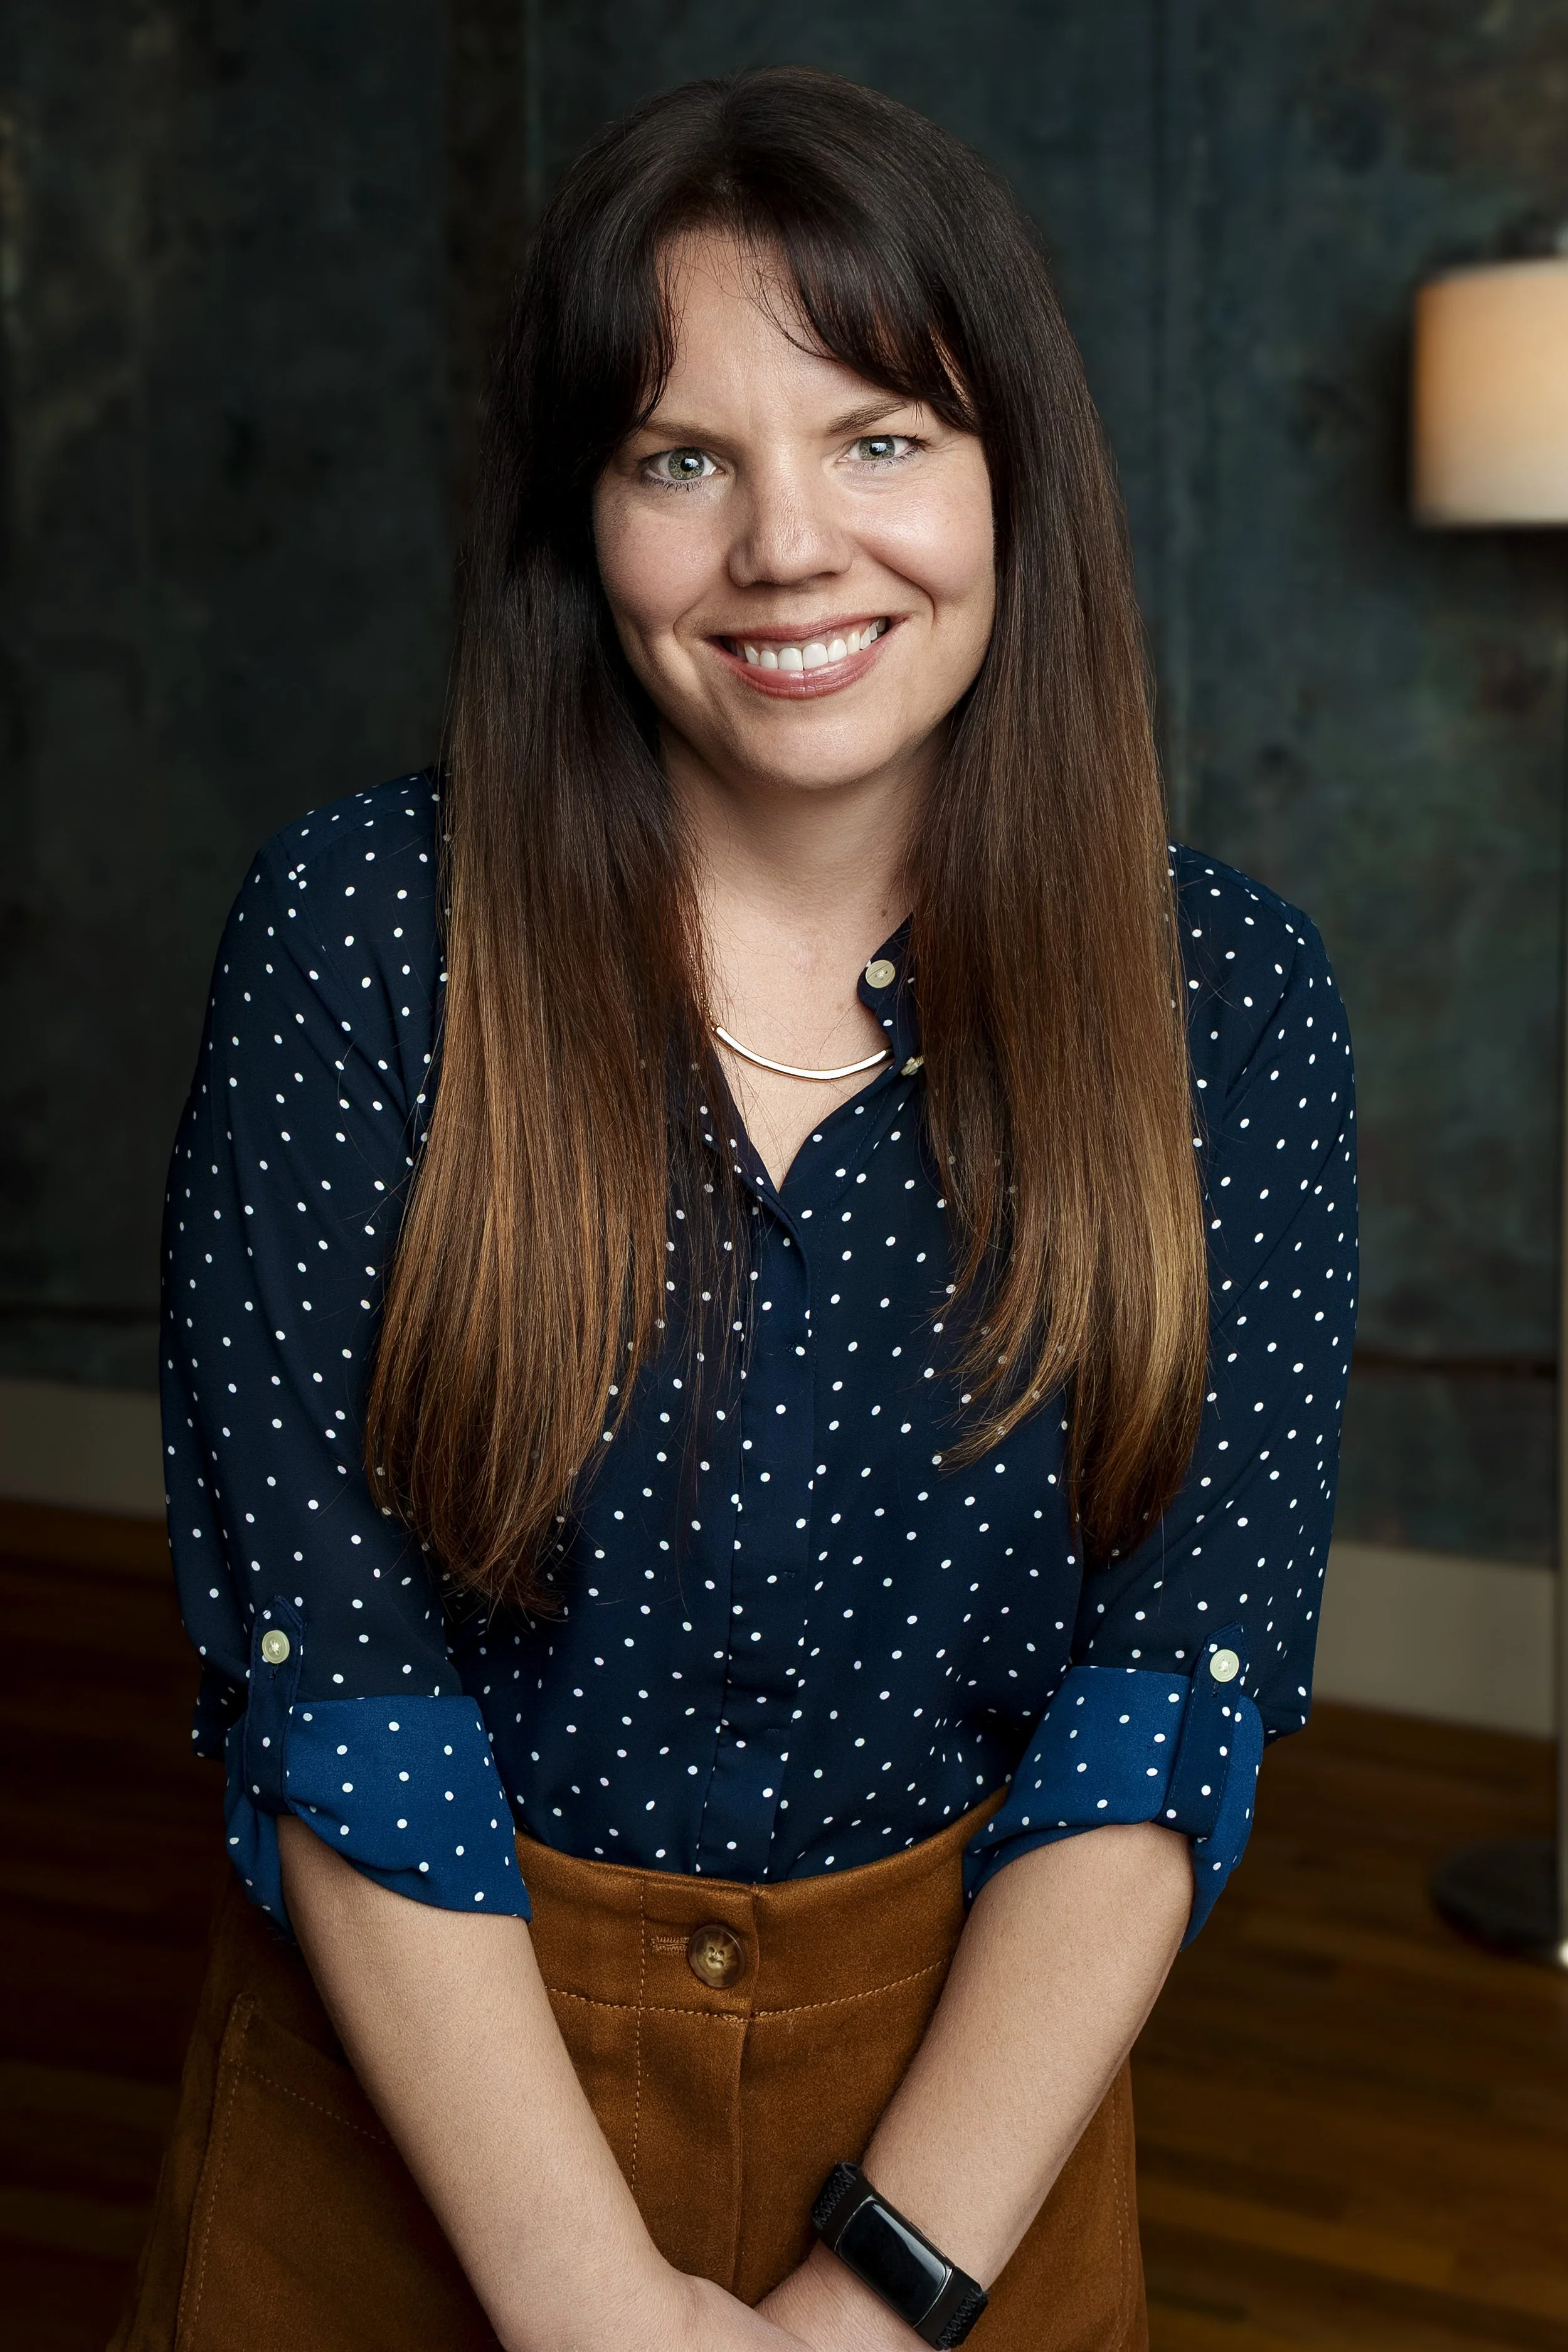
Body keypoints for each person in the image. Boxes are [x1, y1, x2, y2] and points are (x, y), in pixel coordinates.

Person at [119, 65, 1357, 2352]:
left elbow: (1167, 1695)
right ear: (581, 523)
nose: (788, 544)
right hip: (415, 2124)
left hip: (965, 2155)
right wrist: (606, 2313)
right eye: (682, 457)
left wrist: (876, 2299)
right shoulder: (358, 939)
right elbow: (339, 1684)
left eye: (878, 435)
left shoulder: (1227, 1000)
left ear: (1013, 483)